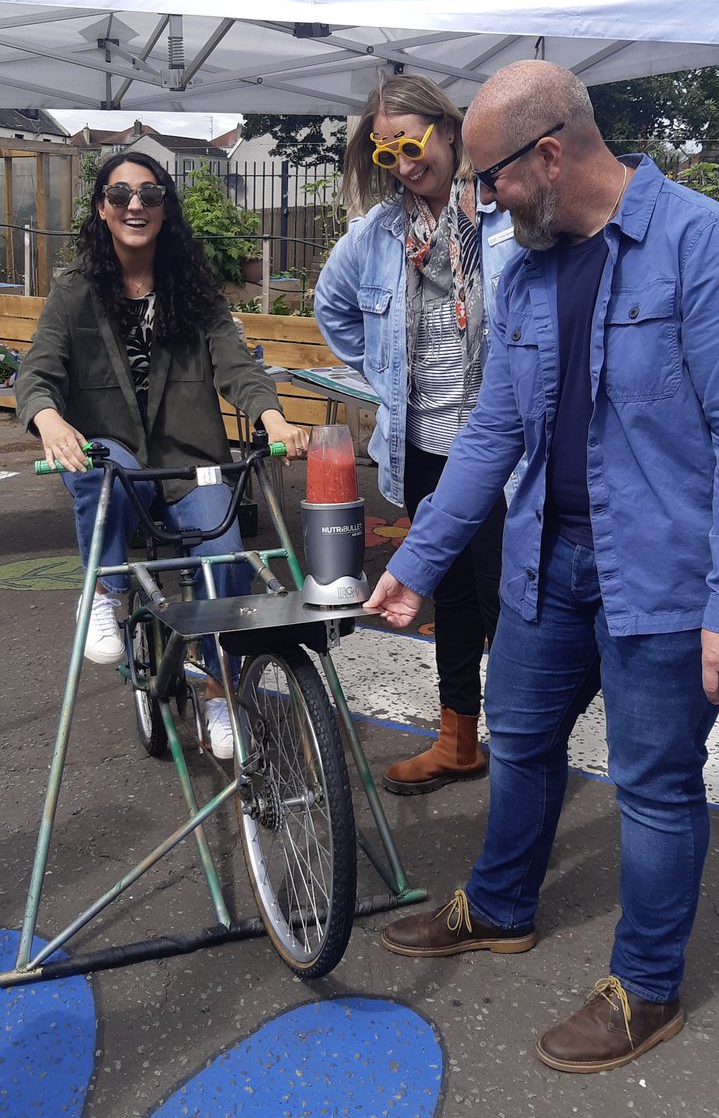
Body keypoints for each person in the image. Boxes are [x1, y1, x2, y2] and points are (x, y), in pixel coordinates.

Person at [367, 60, 719, 1073]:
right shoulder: (522, 263)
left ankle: (643, 988)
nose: (481, 200)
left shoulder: (696, 247)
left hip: (658, 576)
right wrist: (421, 562)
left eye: (492, 179)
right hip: (544, 563)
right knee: (516, 738)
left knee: (652, 788)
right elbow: (494, 431)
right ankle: (501, 904)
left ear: (551, 154)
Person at [16, 151, 308, 759]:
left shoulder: (194, 294)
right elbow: (37, 373)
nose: (135, 205)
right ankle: (103, 592)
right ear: (101, 209)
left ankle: (217, 688)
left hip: (190, 462)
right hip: (116, 456)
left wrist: (274, 417)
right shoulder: (74, 292)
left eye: (150, 194)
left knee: (222, 549)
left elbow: (237, 367)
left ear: (166, 209)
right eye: (120, 195)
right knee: (107, 472)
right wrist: (49, 420)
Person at [314, 75, 519, 794]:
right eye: (384, 153)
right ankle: (457, 740)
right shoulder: (376, 235)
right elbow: (331, 309)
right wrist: (384, 381)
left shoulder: (504, 218)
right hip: (425, 449)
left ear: (448, 127)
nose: (402, 164)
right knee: (453, 596)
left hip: (507, 457)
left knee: (511, 604)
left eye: (410, 143)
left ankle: (528, 763)